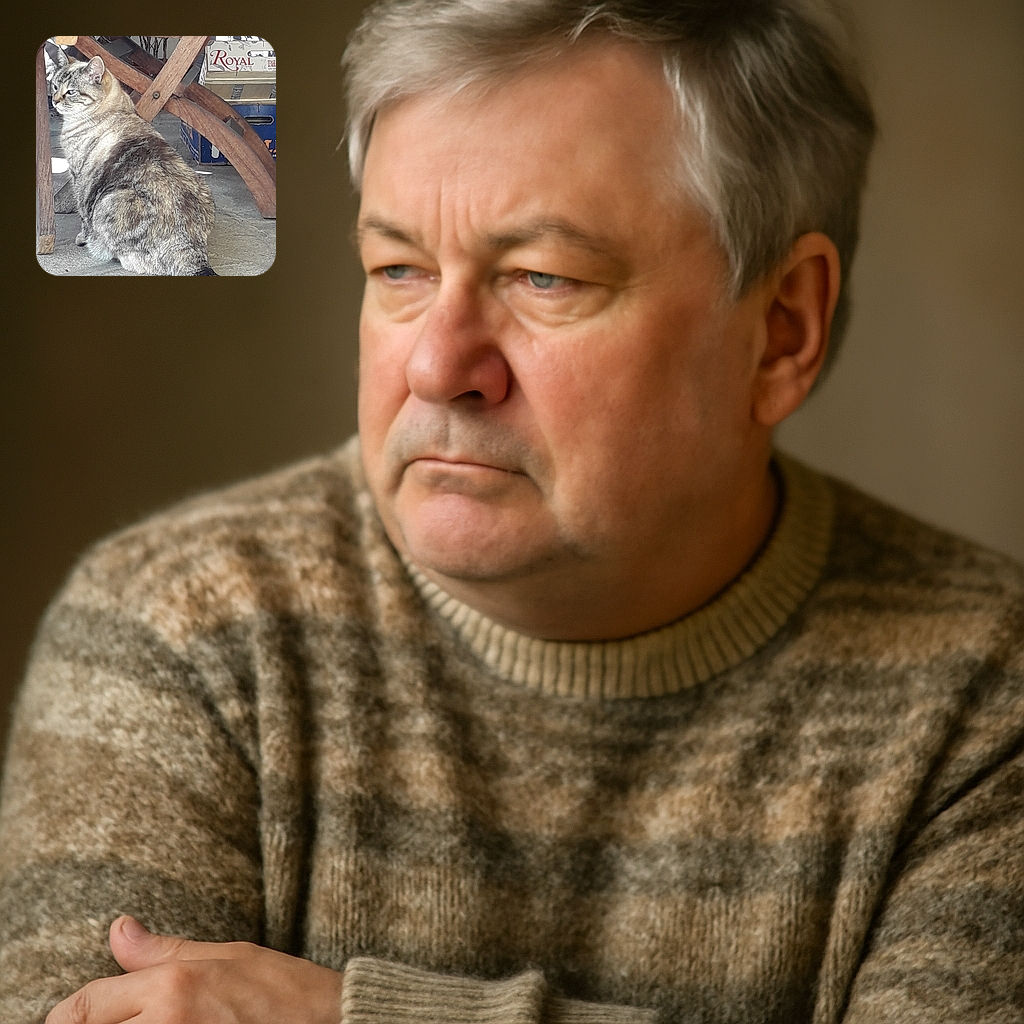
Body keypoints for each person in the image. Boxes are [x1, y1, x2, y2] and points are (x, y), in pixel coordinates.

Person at [2, 1, 1022, 1021]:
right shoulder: (178, 631)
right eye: (398, 269)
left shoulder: (987, 696)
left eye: (545, 277)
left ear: (781, 330)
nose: (439, 365)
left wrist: (350, 1017)